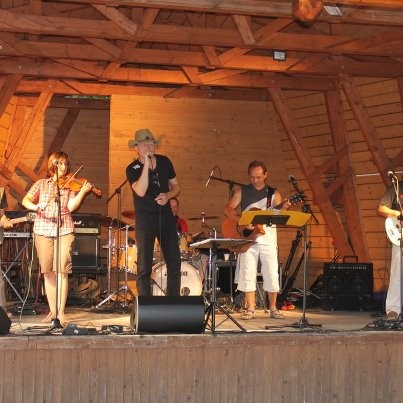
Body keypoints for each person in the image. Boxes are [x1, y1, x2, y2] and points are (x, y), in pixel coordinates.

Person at [22, 151, 93, 325]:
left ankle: (61, 313)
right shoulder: (41, 183)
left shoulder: (69, 186)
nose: (64, 167)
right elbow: (26, 200)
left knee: (62, 271)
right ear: (52, 165)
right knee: (48, 273)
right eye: (60, 163)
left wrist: (82, 192)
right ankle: (52, 311)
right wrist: (36, 206)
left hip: (64, 229)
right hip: (43, 229)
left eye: (66, 164)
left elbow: (71, 207)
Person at [224, 160, 290, 320]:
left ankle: (273, 308)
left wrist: (283, 209)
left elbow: (279, 216)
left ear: (265, 175)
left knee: (271, 271)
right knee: (248, 271)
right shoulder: (242, 191)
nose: (255, 180)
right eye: (252, 177)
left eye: (258, 177)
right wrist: (242, 221)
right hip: (249, 237)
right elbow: (228, 209)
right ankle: (250, 308)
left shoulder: (274, 194)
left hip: (268, 236)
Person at [126, 128, 181, 296]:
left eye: (150, 143)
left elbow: (176, 187)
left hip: (165, 218)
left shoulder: (165, 162)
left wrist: (168, 195)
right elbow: (140, 191)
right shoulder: (132, 168)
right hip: (145, 220)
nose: (148, 147)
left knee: (174, 262)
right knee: (144, 267)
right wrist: (146, 165)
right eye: (143, 145)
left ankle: (173, 303)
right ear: (137, 148)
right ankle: (145, 305)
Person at [377, 175, 403, 320]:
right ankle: (393, 309)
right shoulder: (396, 187)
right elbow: (381, 208)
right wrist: (397, 213)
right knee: (397, 272)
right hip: (400, 235)